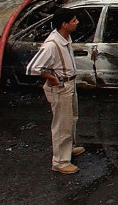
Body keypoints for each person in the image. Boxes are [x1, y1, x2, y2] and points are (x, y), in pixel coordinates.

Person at [25, 10, 84, 174]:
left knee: (72, 118)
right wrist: (52, 78)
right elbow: (32, 68)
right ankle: (60, 161)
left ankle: (68, 149)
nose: (77, 22)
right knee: (62, 124)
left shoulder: (65, 37)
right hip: (60, 88)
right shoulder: (52, 44)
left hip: (70, 84)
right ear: (64, 25)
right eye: (74, 20)